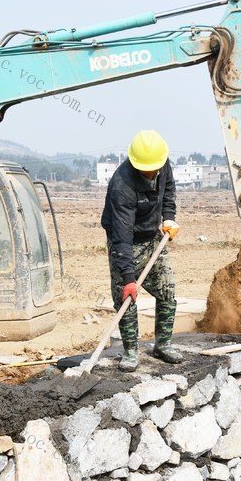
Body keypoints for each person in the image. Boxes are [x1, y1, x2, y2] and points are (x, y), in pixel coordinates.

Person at [101, 130, 182, 372]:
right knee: (127, 297)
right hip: (125, 241)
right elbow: (122, 236)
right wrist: (128, 278)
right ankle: (130, 352)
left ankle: (163, 344)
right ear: (136, 165)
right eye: (148, 170)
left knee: (167, 290)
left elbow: (168, 191)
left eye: (157, 168)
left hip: (153, 237)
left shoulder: (160, 163)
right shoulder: (122, 186)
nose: (154, 173)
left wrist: (169, 217)